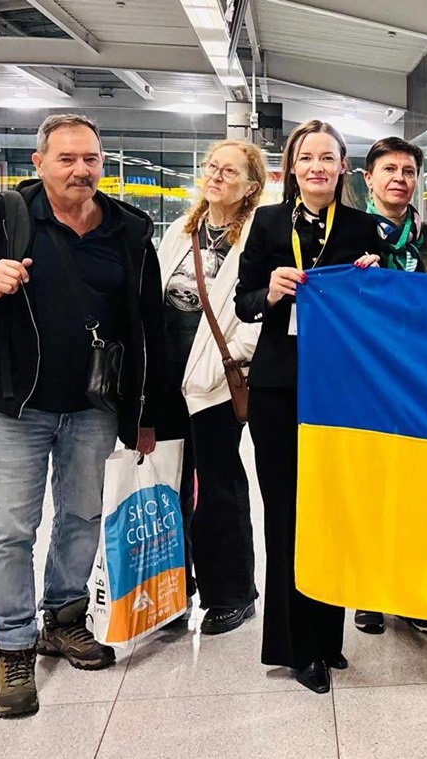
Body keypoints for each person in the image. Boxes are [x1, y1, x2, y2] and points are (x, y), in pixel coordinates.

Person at [0, 113, 165, 718]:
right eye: (66, 159)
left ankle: (64, 616)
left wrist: (145, 411)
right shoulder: (1, 219)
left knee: (83, 516)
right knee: (9, 530)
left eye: (91, 159)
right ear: (39, 163)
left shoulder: (129, 229)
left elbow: (148, 325)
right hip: (16, 407)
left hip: (94, 407)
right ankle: (11, 643)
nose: (81, 170)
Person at [235, 119, 382, 695]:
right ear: (290, 169)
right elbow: (244, 303)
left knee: (334, 513)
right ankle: (296, 646)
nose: (317, 167)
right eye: (306, 158)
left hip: (342, 390)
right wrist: (270, 291)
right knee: (286, 514)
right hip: (279, 387)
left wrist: (373, 285)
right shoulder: (268, 223)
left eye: (327, 158)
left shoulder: (364, 228)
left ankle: (328, 637)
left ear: (343, 167)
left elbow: (383, 314)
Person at [155, 139, 264, 636]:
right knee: (170, 485)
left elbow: (263, 308)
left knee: (218, 488)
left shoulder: (257, 236)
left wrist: (234, 357)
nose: (216, 176)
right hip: (169, 377)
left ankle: (233, 593)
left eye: (230, 171)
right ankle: (176, 588)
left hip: (217, 381)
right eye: (212, 167)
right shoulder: (181, 231)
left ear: (251, 186)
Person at [352, 136, 427, 637]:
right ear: (368, 178)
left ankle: (413, 590)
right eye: (389, 169)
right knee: (372, 486)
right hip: (368, 379)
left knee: (418, 487)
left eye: (408, 171)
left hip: (422, 380)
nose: (400, 179)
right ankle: (369, 590)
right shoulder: (350, 232)